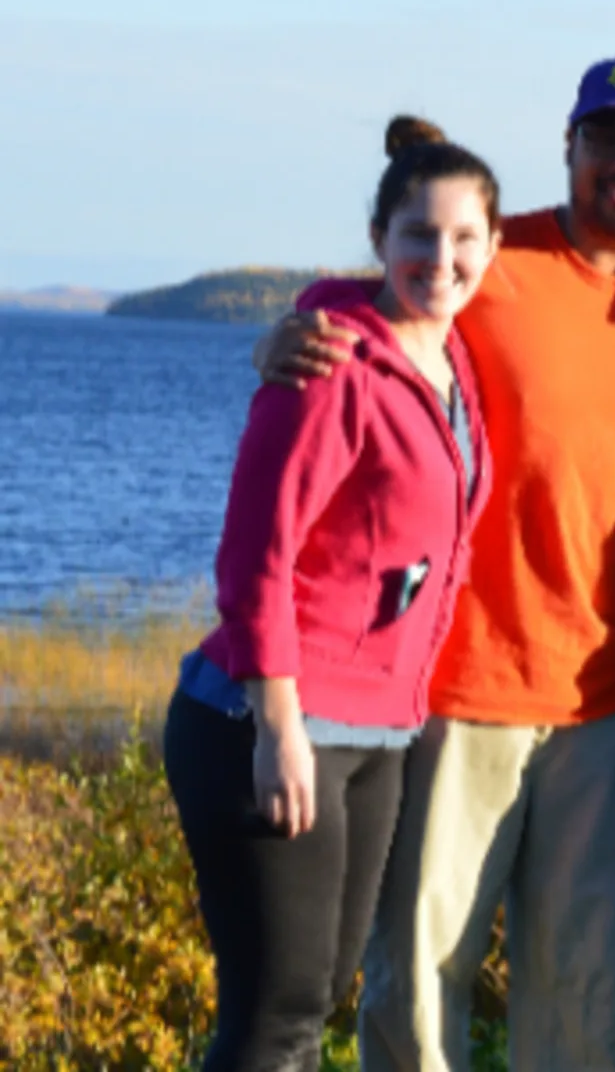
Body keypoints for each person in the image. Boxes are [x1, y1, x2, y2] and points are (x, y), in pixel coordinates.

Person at [259, 53, 615, 1070]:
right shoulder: (490, 256)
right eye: (606, 138)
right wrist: (289, 329)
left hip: (605, 697)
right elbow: (366, 305)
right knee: (420, 979)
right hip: (456, 684)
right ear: (569, 145)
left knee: (584, 982)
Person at [163, 116, 499, 1071]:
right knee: (276, 1018)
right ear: (379, 240)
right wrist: (278, 727)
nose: (441, 258)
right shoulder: (329, 357)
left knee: (317, 1002)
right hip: (272, 720)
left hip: (380, 729)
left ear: (493, 246)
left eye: (464, 238)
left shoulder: (453, 362)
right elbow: (254, 557)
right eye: (418, 236)